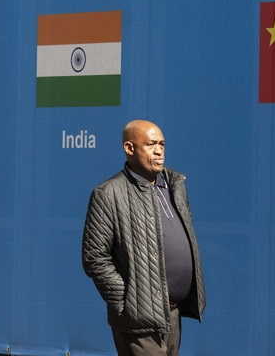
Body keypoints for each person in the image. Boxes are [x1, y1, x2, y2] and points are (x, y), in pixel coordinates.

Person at [82, 120, 205, 356]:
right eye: (150, 144)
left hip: (173, 314)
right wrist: (128, 304)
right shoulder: (108, 194)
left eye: (162, 144)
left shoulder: (174, 186)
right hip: (138, 320)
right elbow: (95, 257)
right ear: (129, 148)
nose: (159, 150)